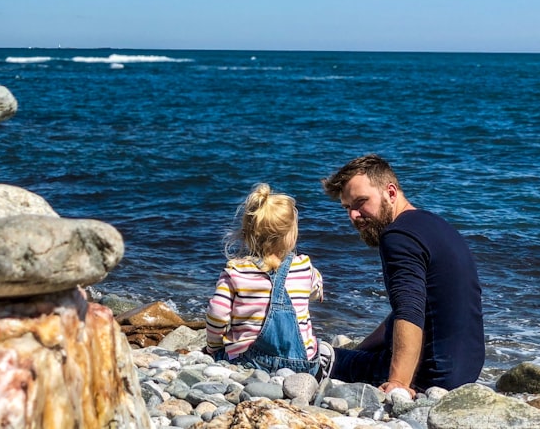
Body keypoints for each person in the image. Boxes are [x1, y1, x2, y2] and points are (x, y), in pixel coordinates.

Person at [321, 154, 484, 395]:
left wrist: (398, 384)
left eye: (361, 202)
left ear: (391, 192)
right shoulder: (436, 225)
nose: (354, 216)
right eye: (348, 208)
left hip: (431, 377)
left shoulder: (397, 237)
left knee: (321, 356)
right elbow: (419, 308)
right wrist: (361, 350)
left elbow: (410, 311)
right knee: (352, 355)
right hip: (466, 374)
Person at [204, 183, 333, 377]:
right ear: (291, 235)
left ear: (247, 234)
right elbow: (317, 291)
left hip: (249, 360)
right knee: (319, 347)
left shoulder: (236, 272)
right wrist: (314, 291)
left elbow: (217, 314)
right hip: (302, 363)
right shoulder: (305, 267)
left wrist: (213, 347)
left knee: (223, 351)